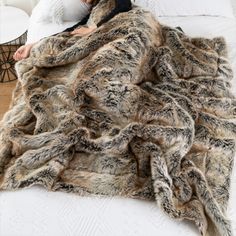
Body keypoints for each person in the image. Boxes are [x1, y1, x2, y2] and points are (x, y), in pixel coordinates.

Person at [13, 0, 132, 61]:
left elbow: (125, 5)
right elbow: (71, 29)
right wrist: (33, 44)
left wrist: (95, 28)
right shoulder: (88, 14)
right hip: (46, 24)